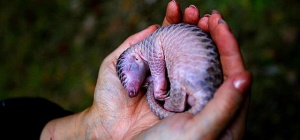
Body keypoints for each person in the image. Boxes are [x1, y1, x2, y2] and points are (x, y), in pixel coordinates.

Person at [41, 1, 252, 139]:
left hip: (194, 67)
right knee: (180, 78)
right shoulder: (152, 51)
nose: (132, 90)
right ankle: (178, 102)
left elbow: (159, 71)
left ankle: (177, 102)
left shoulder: (149, 46)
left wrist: (157, 88)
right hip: (194, 66)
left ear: (134, 58)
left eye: (129, 77)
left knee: (179, 78)